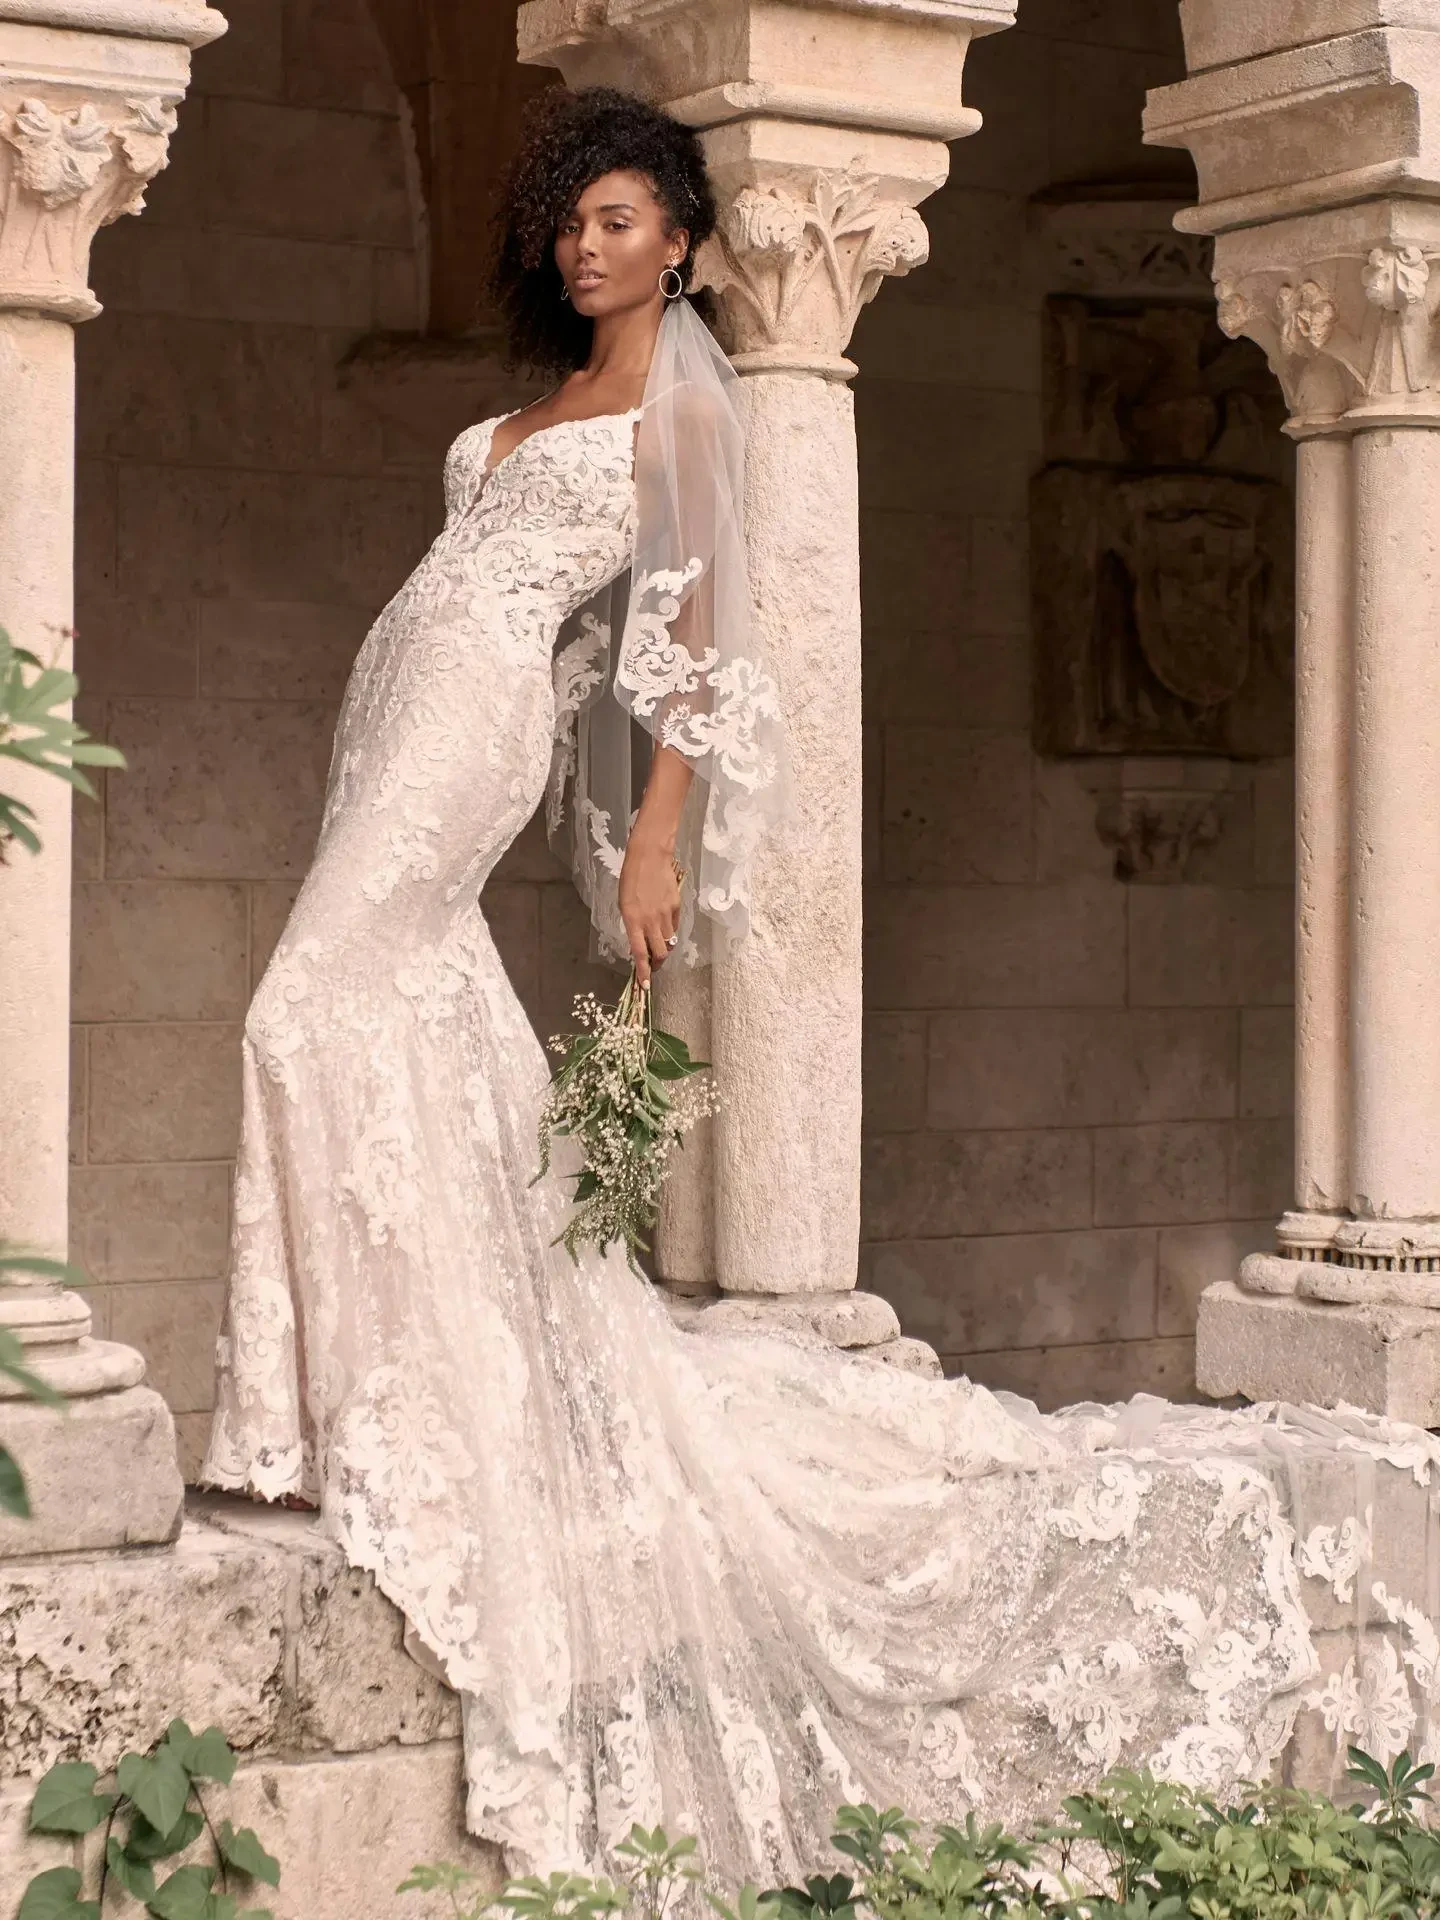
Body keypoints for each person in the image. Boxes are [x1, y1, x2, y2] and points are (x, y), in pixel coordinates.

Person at [202, 85, 1440, 1890]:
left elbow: (694, 646)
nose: (590, 242)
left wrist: (653, 842)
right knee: (394, 1011)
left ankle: (351, 1395)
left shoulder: (684, 413)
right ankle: (363, 1394)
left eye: (626, 219)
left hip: (477, 726)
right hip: (403, 705)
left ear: (687, 241)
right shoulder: (529, 411)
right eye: (575, 218)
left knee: (304, 1007)